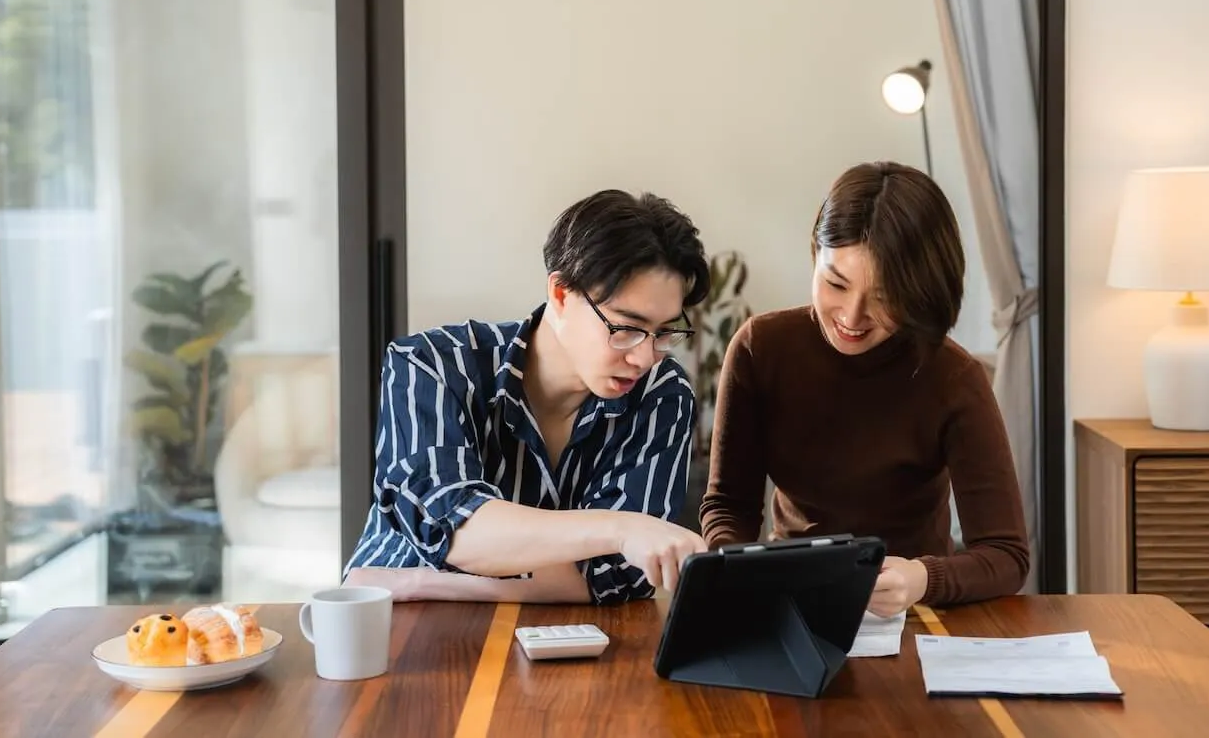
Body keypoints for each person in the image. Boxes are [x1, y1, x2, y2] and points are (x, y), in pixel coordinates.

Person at [344, 189, 711, 604]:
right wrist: (620, 528)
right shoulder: (432, 365)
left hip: (556, 637)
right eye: (625, 327)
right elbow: (452, 531)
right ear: (560, 293)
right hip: (400, 631)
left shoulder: (662, 395)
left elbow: (616, 579)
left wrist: (420, 582)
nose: (645, 357)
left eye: (664, 331)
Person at [699, 161, 1029, 615]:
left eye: (885, 298)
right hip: (790, 604)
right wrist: (733, 572)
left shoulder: (953, 377)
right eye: (836, 283)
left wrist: (922, 578)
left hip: (913, 612)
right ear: (815, 254)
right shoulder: (762, 349)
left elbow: (1006, 555)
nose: (852, 318)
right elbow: (729, 507)